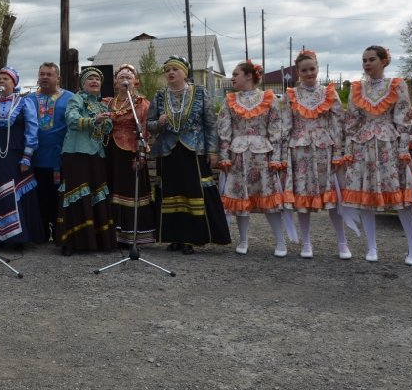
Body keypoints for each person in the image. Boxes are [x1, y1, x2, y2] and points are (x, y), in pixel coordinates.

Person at [342, 45, 412, 265]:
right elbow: (351, 122)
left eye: (371, 59)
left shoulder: (396, 85)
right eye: (364, 60)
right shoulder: (358, 88)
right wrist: (349, 150)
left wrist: (403, 149)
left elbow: (404, 119)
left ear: (384, 61)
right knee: (366, 198)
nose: (367, 64)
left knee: (401, 199)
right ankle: (372, 247)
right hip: (363, 146)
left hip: (389, 146)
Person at [147, 56, 230, 254]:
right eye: (167, 70)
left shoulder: (199, 93)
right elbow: (149, 125)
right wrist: (158, 123)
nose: (170, 73)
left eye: (175, 69)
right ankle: (174, 237)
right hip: (168, 152)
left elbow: (210, 124)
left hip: (193, 151)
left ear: (185, 73)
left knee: (193, 191)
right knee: (170, 192)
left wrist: (212, 151)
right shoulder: (159, 96)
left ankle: (192, 238)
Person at [282, 51, 352, 259]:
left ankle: (342, 242)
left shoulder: (329, 93)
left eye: (312, 69)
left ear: (318, 68)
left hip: (324, 150)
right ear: (298, 72)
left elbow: (338, 125)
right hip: (300, 151)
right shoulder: (291, 95)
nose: (309, 73)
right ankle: (306, 243)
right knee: (303, 200)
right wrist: (283, 155)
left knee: (333, 199)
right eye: (304, 70)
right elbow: (285, 126)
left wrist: (338, 153)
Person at [216, 59, 289, 256]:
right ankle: (243, 240)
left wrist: (277, 158)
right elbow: (223, 131)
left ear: (249, 76)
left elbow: (276, 130)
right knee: (241, 198)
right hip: (238, 156)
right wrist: (224, 157)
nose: (232, 78)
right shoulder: (229, 100)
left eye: (236, 74)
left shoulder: (268, 98)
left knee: (269, 199)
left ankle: (280, 241)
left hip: (263, 156)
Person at [0, 66, 45, 247]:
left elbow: (32, 129)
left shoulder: (24, 103)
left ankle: (18, 238)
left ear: (14, 83)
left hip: (17, 155)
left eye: (6, 79)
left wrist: (27, 156)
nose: (1, 81)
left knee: (13, 190)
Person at [57, 67, 116, 255]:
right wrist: (94, 121)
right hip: (76, 153)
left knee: (95, 193)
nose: (94, 81)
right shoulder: (76, 99)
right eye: (90, 78)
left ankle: (96, 240)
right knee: (76, 193)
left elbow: (106, 130)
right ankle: (72, 242)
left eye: (97, 79)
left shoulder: (102, 105)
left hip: (96, 154)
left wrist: (107, 122)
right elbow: (71, 119)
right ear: (83, 84)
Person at [104, 64, 155, 248]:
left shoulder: (142, 104)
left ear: (135, 82)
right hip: (110, 153)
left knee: (129, 190)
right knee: (112, 189)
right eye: (121, 77)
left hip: (131, 153)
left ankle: (132, 234)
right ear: (115, 82)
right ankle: (111, 234)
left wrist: (141, 155)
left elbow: (145, 130)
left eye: (129, 77)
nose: (125, 79)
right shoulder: (107, 103)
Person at [27, 62, 74, 241]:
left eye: (49, 74)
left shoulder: (71, 98)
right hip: (35, 158)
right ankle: (41, 231)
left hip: (59, 158)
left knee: (57, 195)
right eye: (42, 74)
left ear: (58, 78)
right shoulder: (28, 99)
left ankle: (59, 231)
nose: (45, 77)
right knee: (38, 195)